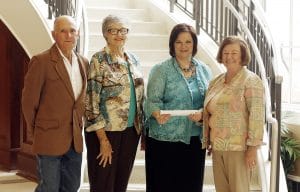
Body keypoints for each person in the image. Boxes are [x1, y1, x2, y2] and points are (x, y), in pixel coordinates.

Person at [22, 15, 88, 192]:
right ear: (54, 34)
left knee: (72, 186)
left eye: (72, 31)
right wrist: (36, 132)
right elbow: (28, 103)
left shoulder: (84, 63)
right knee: (49, 187)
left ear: (78, 34)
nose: (69, 35)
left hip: (75, 140)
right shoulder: (41, 61)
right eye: (63, 31)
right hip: (48, 138)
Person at [144, 23, 212, 192]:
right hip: (164, 141)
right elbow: (151, 101)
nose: (184, 46)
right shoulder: (161, 70)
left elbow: (211, 103)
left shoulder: (204, 70)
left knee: (191, 187)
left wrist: (203, 114)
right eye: (179, 42)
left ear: (194, 45)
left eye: (188, 42)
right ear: (172, 45)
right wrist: (157, 113)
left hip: (195, 141)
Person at [84, 14, 144, 192]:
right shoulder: (99, 60)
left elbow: (140, 97)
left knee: (121, 184)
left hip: (131, 131)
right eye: (113, 30)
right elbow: (91, 102)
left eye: (123, 30)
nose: (119, 34)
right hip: (106, 133)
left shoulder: (133, 60)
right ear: (105, 34)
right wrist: (103, 140)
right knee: (103, 185)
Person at [202, 36, 265, 192]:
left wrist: (252, 149)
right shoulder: (216, 81)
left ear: (243, 55)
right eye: (225, 52)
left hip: (239, 149)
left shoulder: (251, 80)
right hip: (217, 147)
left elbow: (257, 116)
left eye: (234, 53)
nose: (229, 56)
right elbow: (212, 110)